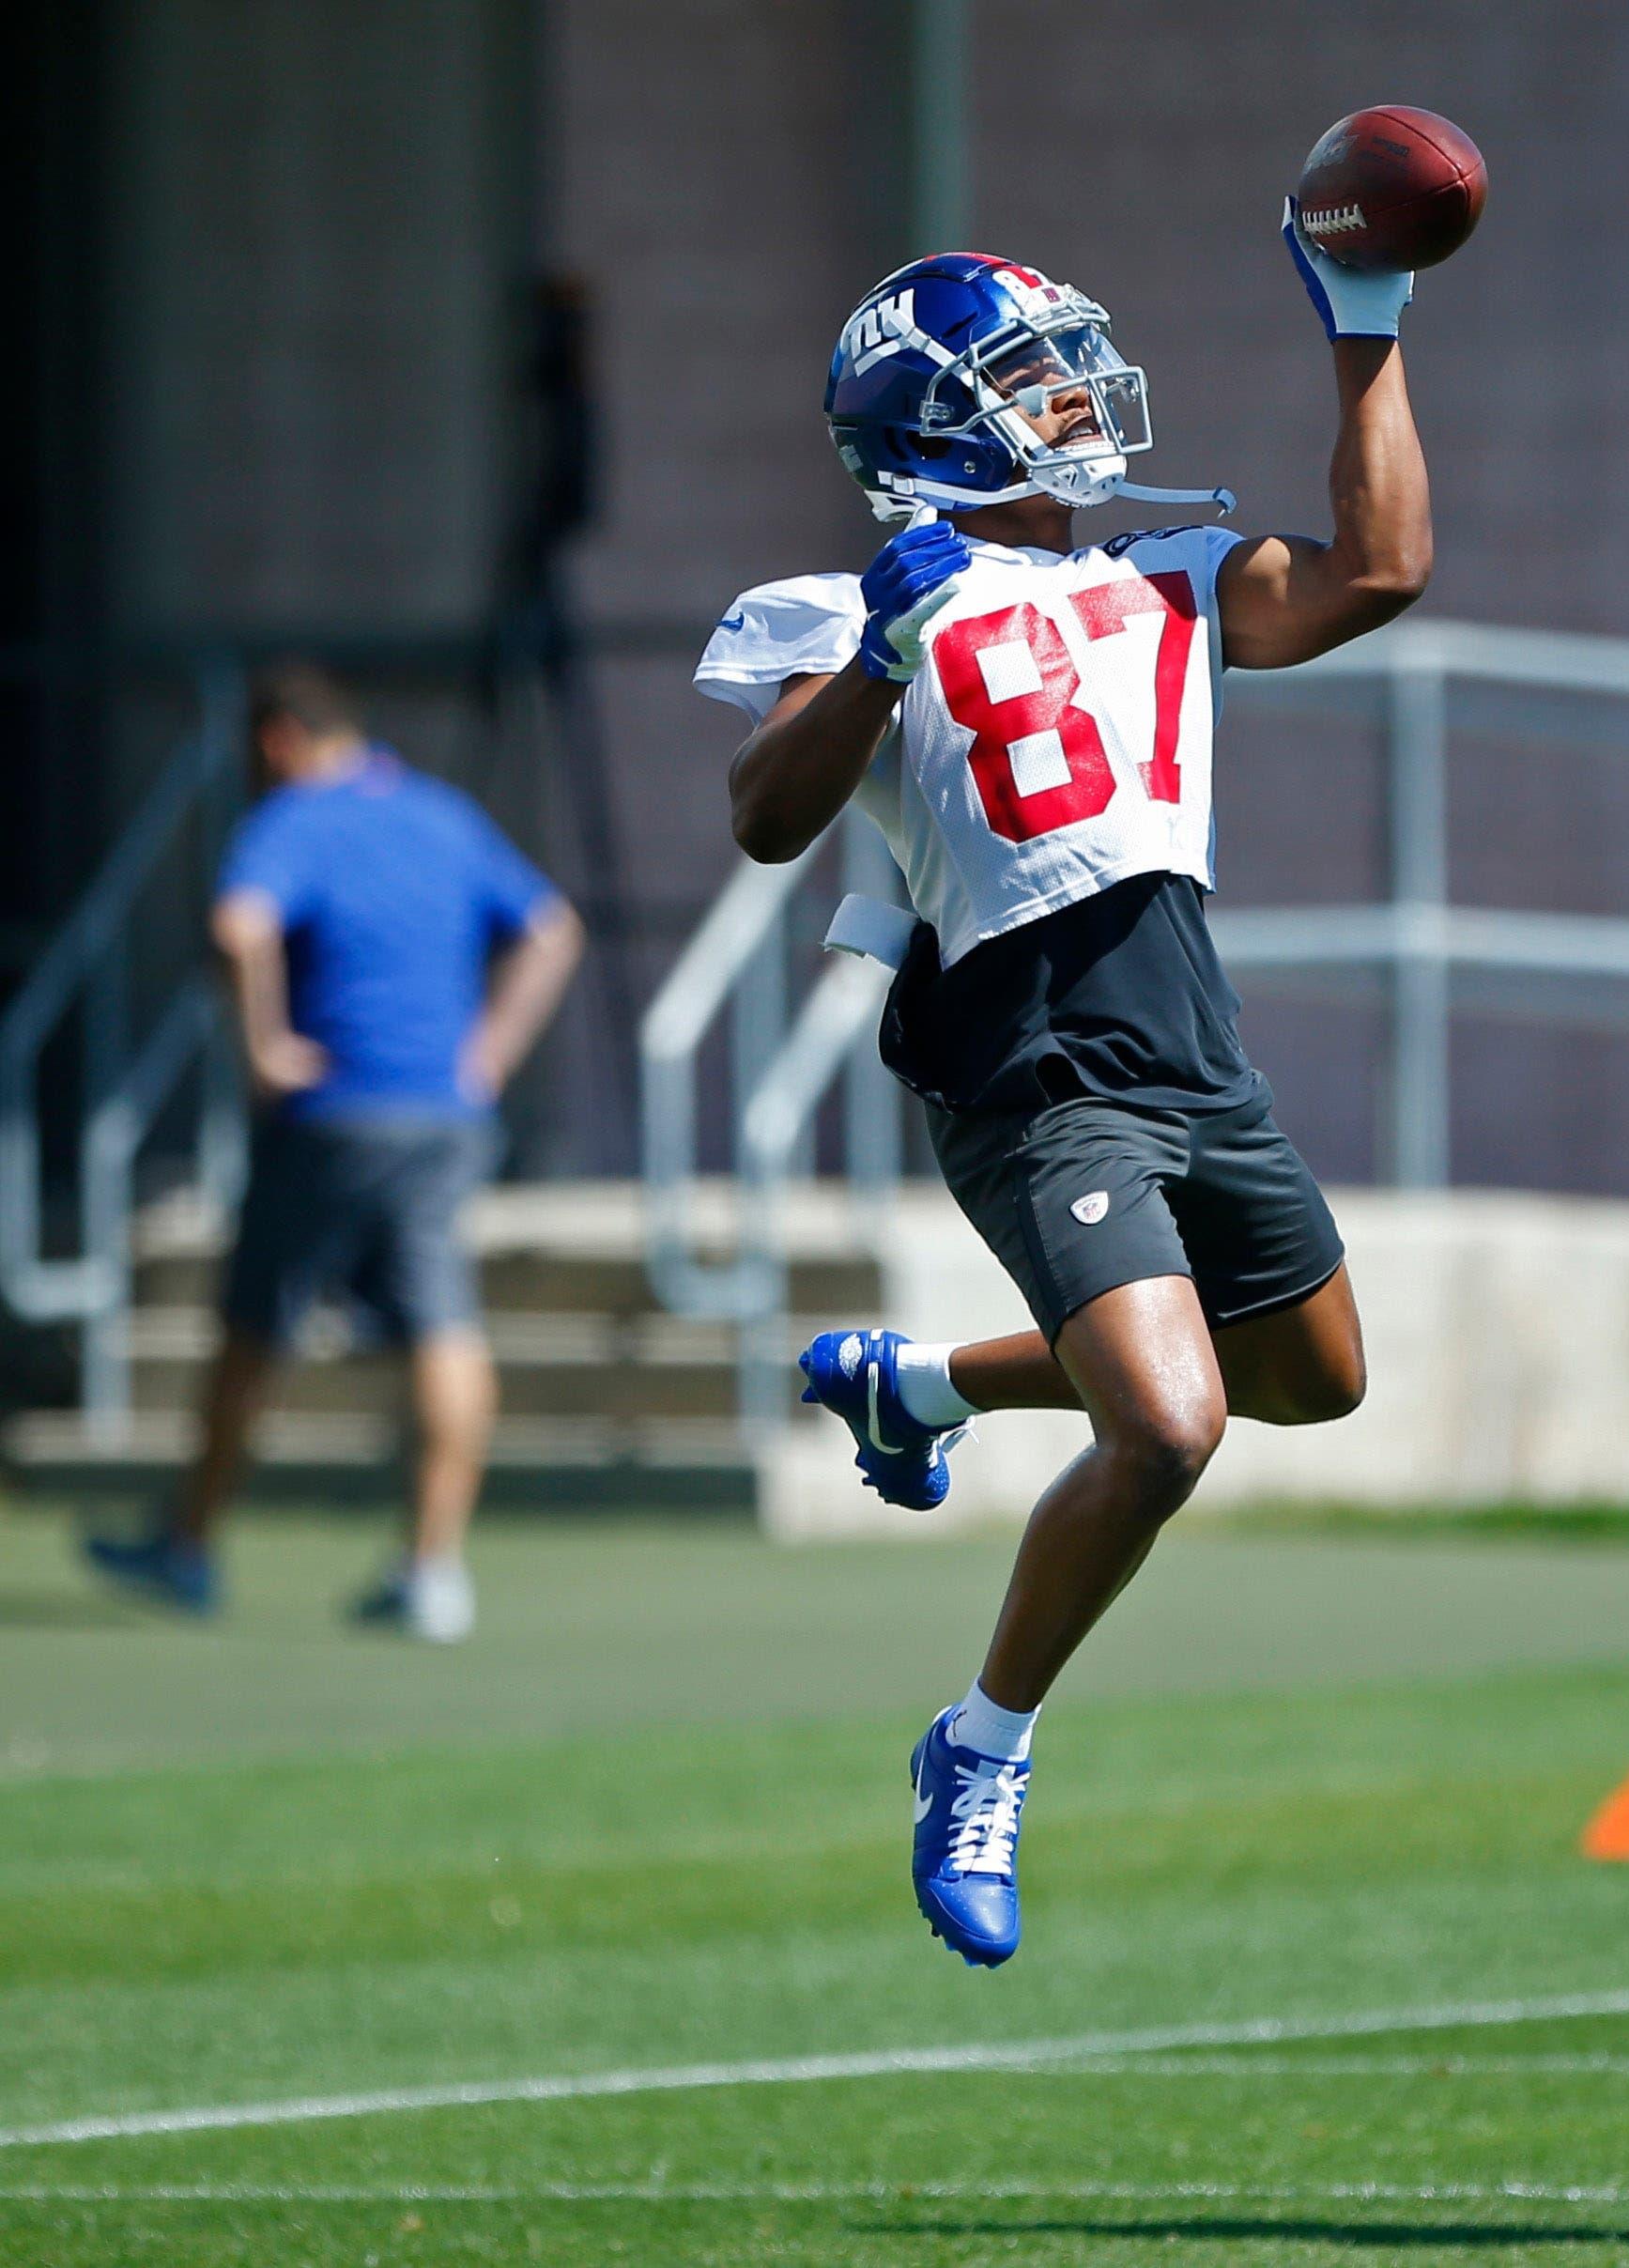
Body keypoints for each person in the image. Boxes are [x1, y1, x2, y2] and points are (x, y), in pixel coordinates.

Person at [692, 223, 1427, 1970]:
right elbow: (762, 817)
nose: (1074, 395)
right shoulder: (857, 603)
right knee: (1167, 1427)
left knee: (1307, 1380)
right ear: (935, 424)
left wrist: (1372, 325)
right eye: (1028, 374)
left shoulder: (1172, 578)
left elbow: (1379, 569)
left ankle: (924, 1389)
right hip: (1027, 1063)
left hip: (1185, 1037)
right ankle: (983, 1741)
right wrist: (881, 648)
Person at [81, 663, 583, 1641]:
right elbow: (553, 930)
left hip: (334, 1111)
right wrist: (487, 1056)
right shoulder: (443, 814)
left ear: (278, 741)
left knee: (254, 1328)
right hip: (443, 1115)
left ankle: (187, 1545)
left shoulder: (292, 816)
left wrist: (264, 1046)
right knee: (443, 1324)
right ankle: (432, 1569)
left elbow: (239, 926)